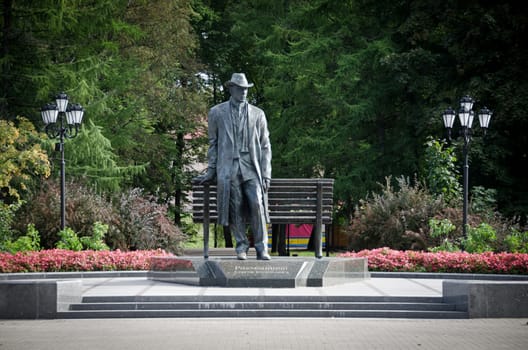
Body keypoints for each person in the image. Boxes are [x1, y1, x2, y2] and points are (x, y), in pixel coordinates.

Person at [195, 73, 272, 260]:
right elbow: (213, 144)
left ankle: (262, 248)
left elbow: (265, 145)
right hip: (229, 168)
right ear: (231, 89)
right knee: (234, 206)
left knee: (257, 203)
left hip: (251, 167)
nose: (244, 92)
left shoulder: (257, 114)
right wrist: (211, 170)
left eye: (246, 89)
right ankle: (241, 246)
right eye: (240, 89)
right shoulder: (217, 112)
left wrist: (266, 173)